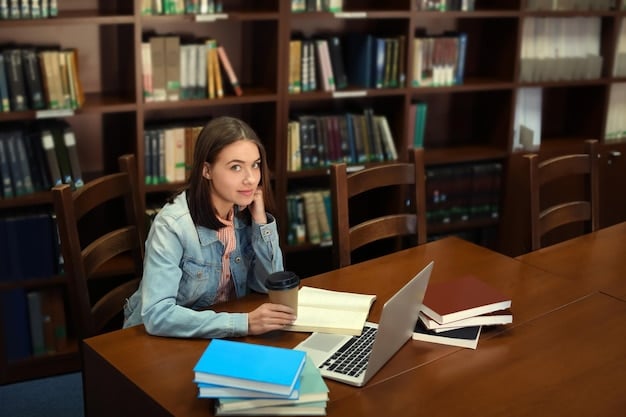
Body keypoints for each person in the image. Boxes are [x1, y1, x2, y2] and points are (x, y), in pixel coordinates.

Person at [124, 116, 296, 338]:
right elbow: (157, 315)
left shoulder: (243, 212)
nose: (251, 179)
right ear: (206, 170)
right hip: (158, 341)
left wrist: (261, 222)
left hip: (213, 334)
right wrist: (245, 323)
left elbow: (268, 285)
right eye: (236, 167)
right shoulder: (172, 226)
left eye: (255, 165)